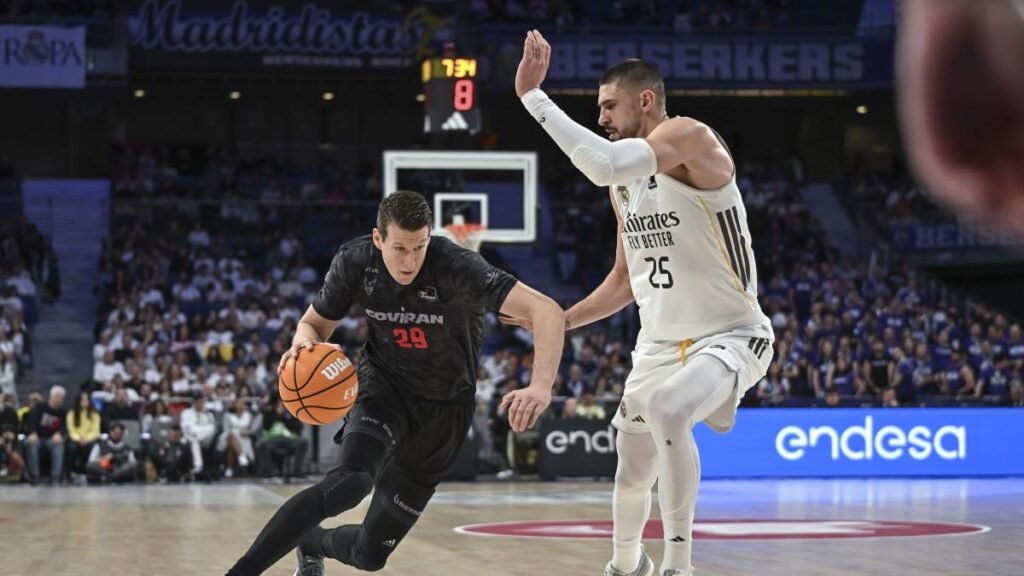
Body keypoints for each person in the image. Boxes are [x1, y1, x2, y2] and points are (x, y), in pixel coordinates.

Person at [509, 32, 773, 576]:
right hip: (657, 345)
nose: (602, 117)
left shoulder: (690, 136)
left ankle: (680, 564)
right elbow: (624, 282)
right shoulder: (625, 187)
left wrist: (533, 96)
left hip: (729, 332)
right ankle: (627, 565)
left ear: (644, 100)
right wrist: (561, 317)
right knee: (630, 471)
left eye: (609, 105)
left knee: (670, 410)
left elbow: (604, 162)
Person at [225, 191, 565, 576]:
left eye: (419, 247)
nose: (410, 260)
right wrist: (304, 342)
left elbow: (547, 311)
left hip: (446, 409)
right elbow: (313, 324)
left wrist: (541, 385)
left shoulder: (456, 265)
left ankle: (311, 541)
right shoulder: (356, 262)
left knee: (370, 556)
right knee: (350, 483)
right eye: (400, 248)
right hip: (384, 388)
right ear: (378, 239)